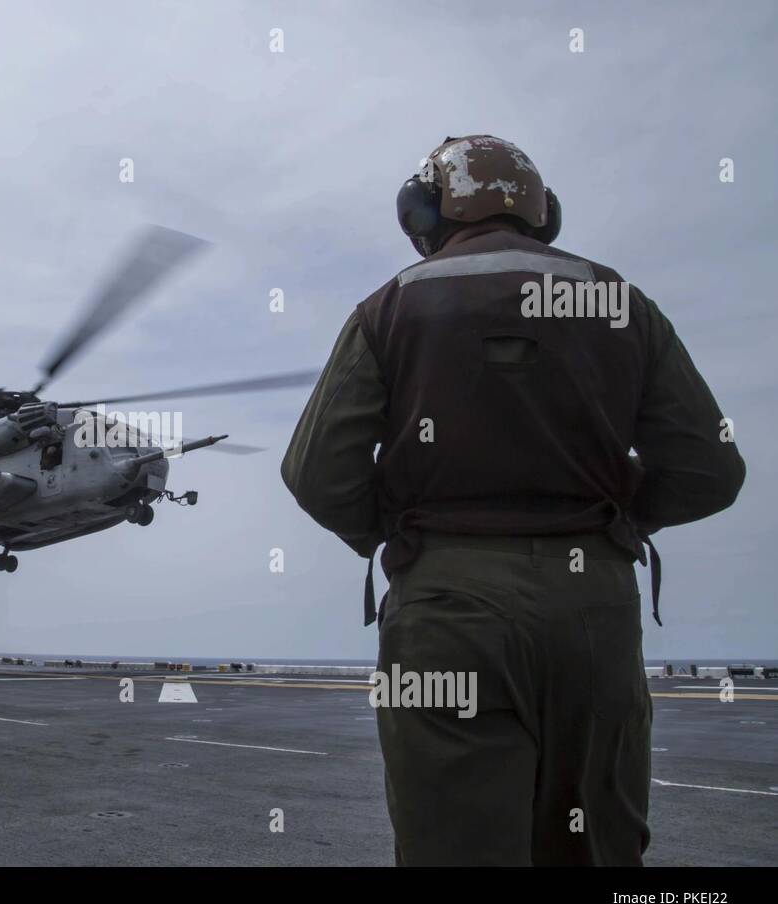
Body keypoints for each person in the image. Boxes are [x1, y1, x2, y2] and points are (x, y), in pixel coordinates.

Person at [282, 134, 745, 865]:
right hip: (595, 606)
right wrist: (616, 517)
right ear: (542, 211)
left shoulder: (391, 307)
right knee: (598, 850)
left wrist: (407, 530)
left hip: (446, 609)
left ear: (427, 209)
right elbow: (712, 469)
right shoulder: (621, 302)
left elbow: (316, 473)